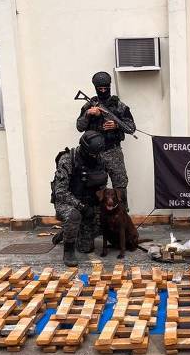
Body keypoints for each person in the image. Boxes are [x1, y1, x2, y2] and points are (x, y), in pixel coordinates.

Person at [76, 71, 135, 210]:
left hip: (113, 151)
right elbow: (79, 127)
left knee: (120, 184)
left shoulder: (119, 106)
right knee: (96, 186)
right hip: (94, 154)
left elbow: (131, 128)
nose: (103, 91)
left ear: (109, 86)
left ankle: (122, 216)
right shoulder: (89, 105)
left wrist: (116, 125)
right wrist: (88, 114)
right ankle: (98, 220)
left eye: (105, 88)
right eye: (100, 88)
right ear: (95, 88)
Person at [51, 131, 109, 266]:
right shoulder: (67, 159)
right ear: (84, 149)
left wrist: (101, 205)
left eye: (97, 154)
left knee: (86, 248)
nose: (96, 156)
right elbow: (60, 192)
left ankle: (68, 231)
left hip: (89, 201)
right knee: (74, 216)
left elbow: (101, 183)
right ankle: (68, 250)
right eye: (93, 154)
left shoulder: (99, 158)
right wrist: (82, 207)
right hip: (68, 202)